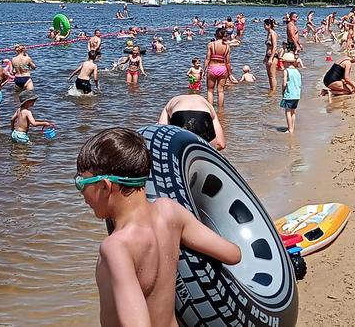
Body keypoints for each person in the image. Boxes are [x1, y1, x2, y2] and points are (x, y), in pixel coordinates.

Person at [75, 128, 240, 325]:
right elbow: (233, 254)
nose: (81, 193)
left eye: (80, 182)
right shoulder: (169, 211)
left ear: (104, 186)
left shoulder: (117, 247)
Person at [158, 94, 226, 149]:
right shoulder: (207, 104)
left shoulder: (171, 101)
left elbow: (161, 133)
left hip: (178, 112)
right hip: (203, 113)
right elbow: (221, 144)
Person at [205, 28, 232, 108]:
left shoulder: (211, 44)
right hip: (223, 69)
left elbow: (207, 59)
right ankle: (221, 111)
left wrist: (204, 70)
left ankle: (210, 110)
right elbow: (228, 62)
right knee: (220, 91)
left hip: (212, 68)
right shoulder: (227, 47)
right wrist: (230, 74)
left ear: (216, 35)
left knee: (210, 91)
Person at [280, 53, 301, 134]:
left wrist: (283, 91)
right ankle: (292, 127)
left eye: (283, 62)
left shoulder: (286, 71)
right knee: (293, 112)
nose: (283, 64)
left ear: (287, 62)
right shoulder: (297, 71)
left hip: (289, 94)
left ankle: (290, 129)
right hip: (297, 95)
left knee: (288, 112)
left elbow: (284, 83)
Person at [263, 18, 278, 92]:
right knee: (269, 75)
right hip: (268, 56)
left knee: (272, 76)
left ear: (269, 25)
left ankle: (274, 91)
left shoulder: (273, 34)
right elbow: (268, 47)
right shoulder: (268, 33)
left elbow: (274, 47)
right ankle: (271, 89)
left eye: (265, 25)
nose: (264, 26)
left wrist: (271, 58)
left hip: (273, 57)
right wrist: (265, 57)